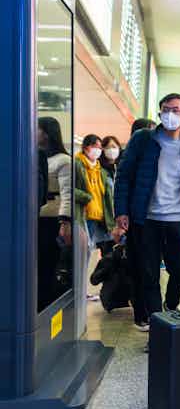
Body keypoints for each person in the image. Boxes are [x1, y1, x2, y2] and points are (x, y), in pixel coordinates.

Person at [114, 93, 180, 337]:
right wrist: (121, 210)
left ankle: (170, 307)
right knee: (148, 274)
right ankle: (158, 324)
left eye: (175, 110)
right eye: (165, 109)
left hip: (179, 218)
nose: (169, 114)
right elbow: (124, 176)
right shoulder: (143, 139)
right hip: (146, 218)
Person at [37, 117, 72, 311]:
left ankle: (46, 303)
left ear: (48, 133)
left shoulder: (63, 160)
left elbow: (67, 194)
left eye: (38, 129)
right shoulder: (34, 156)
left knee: (48, 263)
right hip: (34, 219)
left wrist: (64, 222)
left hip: (52, 220)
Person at [75, 134, 116, 256]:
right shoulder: (77, 164)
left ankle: (84, 274)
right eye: (95, 146)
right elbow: (70, 189)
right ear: (86, 147)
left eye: (100, 147)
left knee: (88, 251)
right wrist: (86, 197)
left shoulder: (100, 170)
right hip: (83, 214)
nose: (98, 150)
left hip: (97, 216)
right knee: (82, 251)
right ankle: (79, 275)